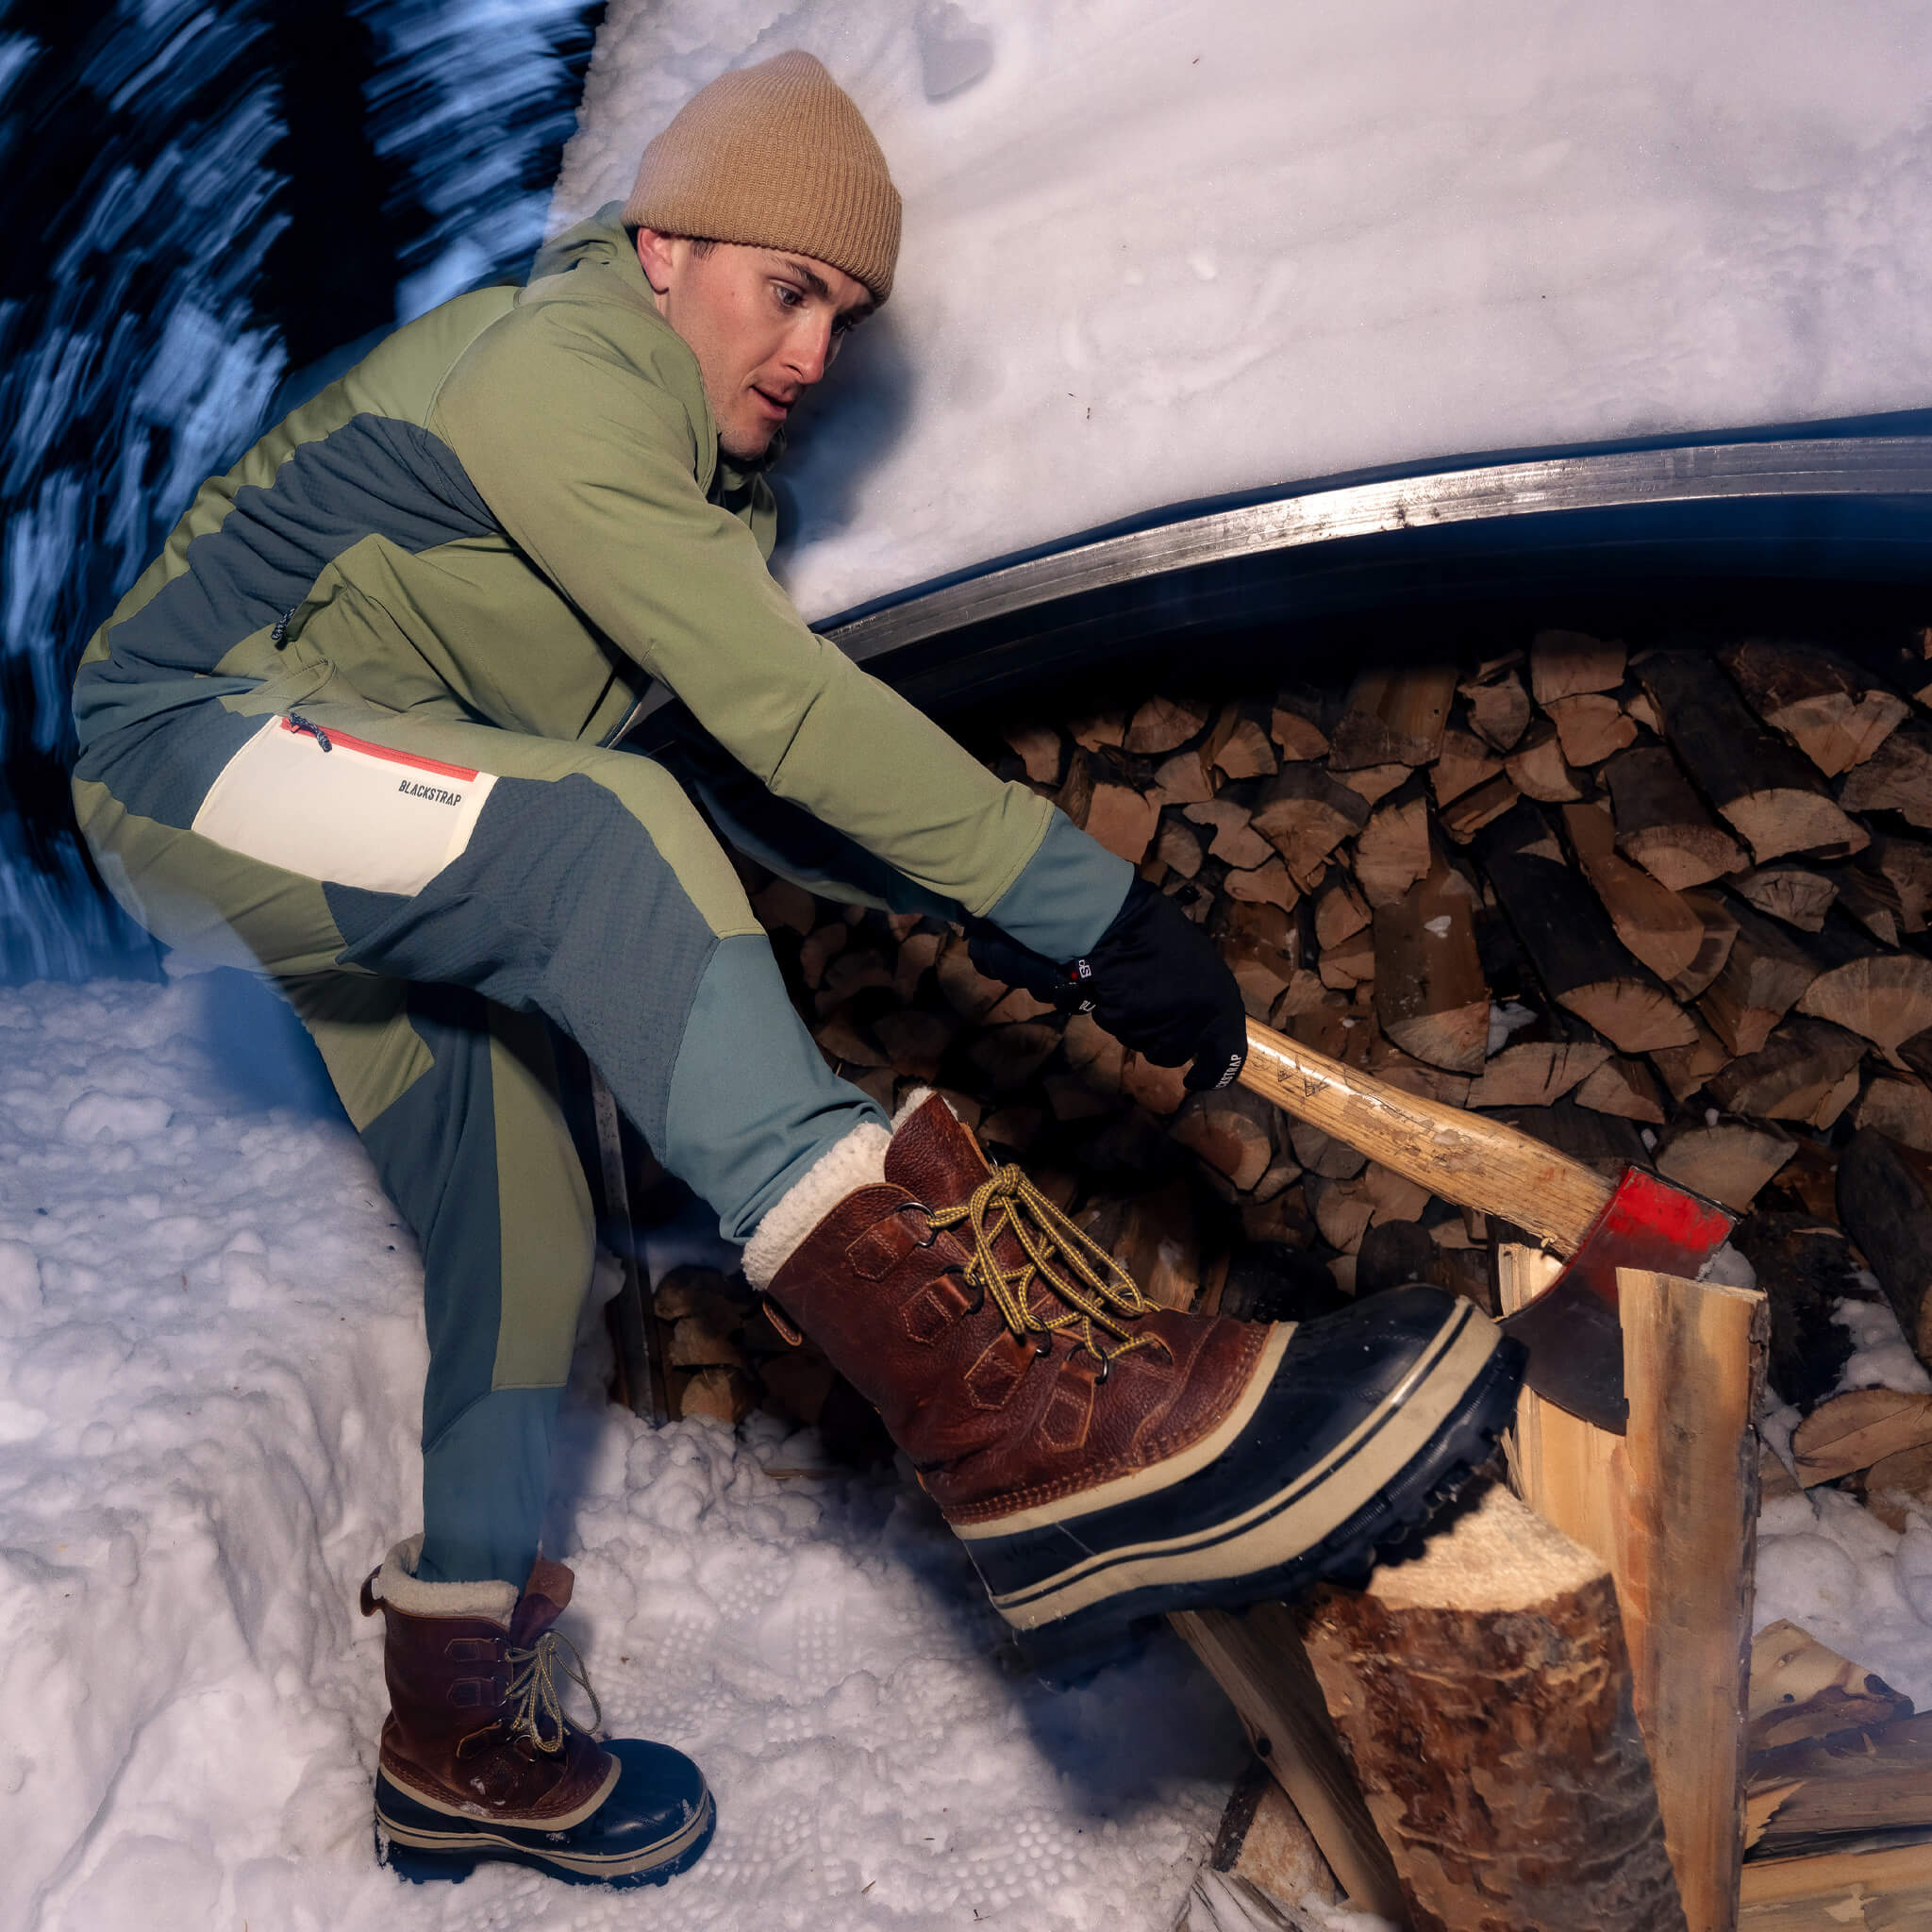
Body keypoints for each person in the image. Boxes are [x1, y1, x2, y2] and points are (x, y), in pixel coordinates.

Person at [68, 51, 1522, 1891]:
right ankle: (1003, 1411)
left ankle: (454, 1731)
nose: (814, 347)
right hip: (185, 742)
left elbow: (748, 778)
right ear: (662, 245)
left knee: (522, 1230)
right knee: (595, 841)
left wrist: (1036, 936)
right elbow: (774, 708)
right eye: (788, 285)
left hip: (377, 810)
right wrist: (1073, 894)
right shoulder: (556, 369)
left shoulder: (695, 500)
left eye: (843, 310)